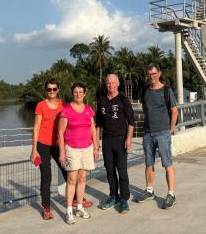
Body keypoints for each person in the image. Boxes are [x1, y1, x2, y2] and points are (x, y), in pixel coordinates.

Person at [29, 79, 92, 220]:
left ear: (58, 90)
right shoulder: (41, 105)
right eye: (49, 89)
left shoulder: (63, 105)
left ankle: (77, 200)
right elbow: (36, 127)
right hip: (43, 144)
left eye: (54, 89)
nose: (52, 91)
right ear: (46, 90)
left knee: (69, 171)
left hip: (59, 144)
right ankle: (46, 207)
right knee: (46, 177)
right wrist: (34, 149)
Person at [136, 63, 178, 209]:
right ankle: (149, 190)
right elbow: (144, 108)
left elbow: (174, 111)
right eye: (149, 74)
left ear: (159, 73)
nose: (151, 76)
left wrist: (170, 129)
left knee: (167, 164)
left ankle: (171, 194)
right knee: (149, 163)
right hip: (148, 133)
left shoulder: (166, 91)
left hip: (162, 133)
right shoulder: (145, 90)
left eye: (154, 74)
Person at [58, 83, 99, 225]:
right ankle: (69, 210)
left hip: (87, 148)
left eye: (81, 92)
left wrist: (96, 148)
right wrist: (62, 151)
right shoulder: (66, 111)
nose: (78, 94)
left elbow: (93, 129)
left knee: (82, 179)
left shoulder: (88, 110)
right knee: (72, 180)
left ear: (84, 94)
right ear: (72, 93)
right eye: (75, 92)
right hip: (72, 149)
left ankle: (80, 207)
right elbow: (60, 133)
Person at [95, 74, 135, 214]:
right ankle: (114, 196)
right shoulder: (101, 101)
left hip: (120, 139)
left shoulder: (124, 100)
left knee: (122, 171)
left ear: (118, 84)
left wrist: (129, 138)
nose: (110, 85)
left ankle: (124, 198)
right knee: (109, 170)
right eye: (108, 83)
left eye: (113, 83)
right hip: (107, 141)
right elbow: (97, 124)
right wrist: (96, 145)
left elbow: (131, 121)